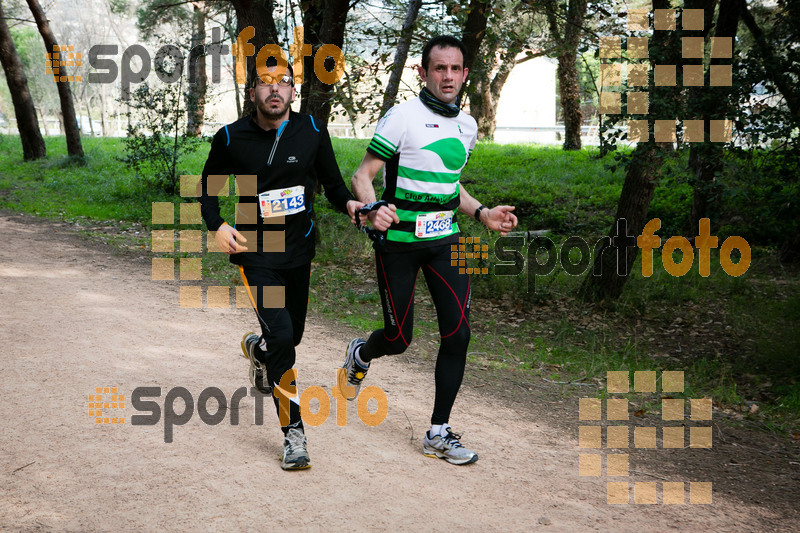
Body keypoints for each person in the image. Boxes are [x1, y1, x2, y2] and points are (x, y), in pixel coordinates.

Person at [339, 35, 518, 465]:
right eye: (440, 68)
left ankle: (438, 432)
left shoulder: (468, 126)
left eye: (456, 69)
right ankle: (361, 353)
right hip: (399, 244)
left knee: (459, 332)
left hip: (446, 240)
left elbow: (448, 184)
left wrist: (482, 213)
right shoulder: (401, 118)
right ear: (423, 72)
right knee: (399, 338)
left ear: (466, 75)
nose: (448, 77)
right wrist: (373, 207)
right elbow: (362, 176)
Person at [200, 57, 360, 470]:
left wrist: (353, 206)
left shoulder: (311, 131)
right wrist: (216, 224)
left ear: (293, 90)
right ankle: (294, 435)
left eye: (283, 82)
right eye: (265, 82)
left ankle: (259, 349)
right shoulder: (232, 138)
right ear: (252, 91)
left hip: (298, 251)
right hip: (254, 253)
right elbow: (208, 188)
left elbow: (334, 186)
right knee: (285, 336)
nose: (274, 89)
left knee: (292, 335)